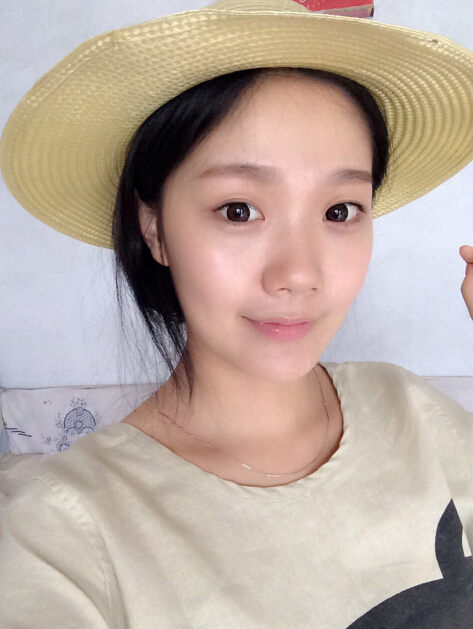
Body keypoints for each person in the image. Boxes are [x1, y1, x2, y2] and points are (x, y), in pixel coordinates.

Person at [1, 1, 473, 626]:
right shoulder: (62, 534)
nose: (298, 273)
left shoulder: (409, 409)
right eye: (238, 210)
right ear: (154, 228)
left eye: (339, 211)